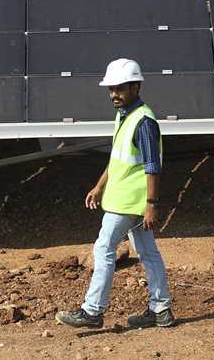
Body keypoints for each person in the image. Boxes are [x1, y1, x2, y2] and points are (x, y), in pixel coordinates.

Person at [55, 58, 175, 329]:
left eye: (120, 88)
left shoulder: (143, 122)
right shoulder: (125, 116)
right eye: (111, 89)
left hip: (130, 202)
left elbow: (153, 166)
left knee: (104, 248)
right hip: (127, 200)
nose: (113, 95)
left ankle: (92, 310)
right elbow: (118, 158)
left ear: (136, 87)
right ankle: (161, 309)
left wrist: (152, 204)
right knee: (148, 252)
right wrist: (99, 186)